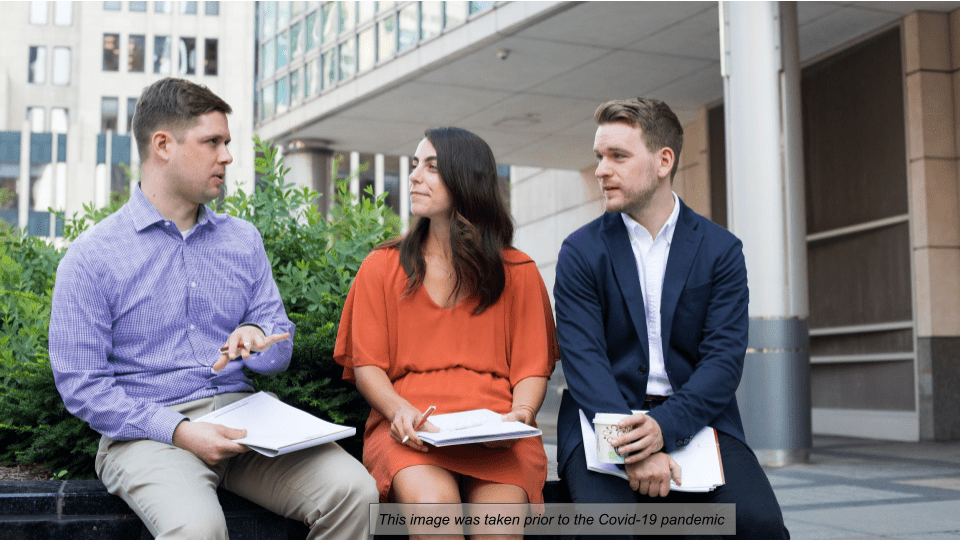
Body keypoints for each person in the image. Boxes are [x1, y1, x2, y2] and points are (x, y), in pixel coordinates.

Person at [49, 77, 377, 540]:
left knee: (357, 494)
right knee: (196, 529)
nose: (227, 156)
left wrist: (257, 337)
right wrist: (180, 430)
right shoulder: (92, 257)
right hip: (149, 435)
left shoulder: (243, 240)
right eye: (212, 142)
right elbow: (83, 386)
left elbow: (279, 344)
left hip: (248, 423)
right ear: (163, 145)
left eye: (227, 143)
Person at [553, 97, 789, 539]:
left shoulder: (721, 251)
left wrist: (663, 428)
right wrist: (632, 447)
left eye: (618, 156)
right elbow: (585, 364)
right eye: (599, 156)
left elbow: (722, 363)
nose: (602, 170)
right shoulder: (580, 252)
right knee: (607, 530)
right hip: (603, 418)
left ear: (664, 161)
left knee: (760, 525)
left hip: (698, 418)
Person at [334, 126, 558, 540]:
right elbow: (367, 366)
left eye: (432, 167)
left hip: (498, 435)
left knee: (499, 533)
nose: (414, 175)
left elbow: (532, 368)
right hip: (413, 431)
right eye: (415, 165)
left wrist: (522, 416)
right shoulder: (380, 266)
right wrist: (398, 411)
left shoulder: (519, 271)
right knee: (436, 519)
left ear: (467, 179)